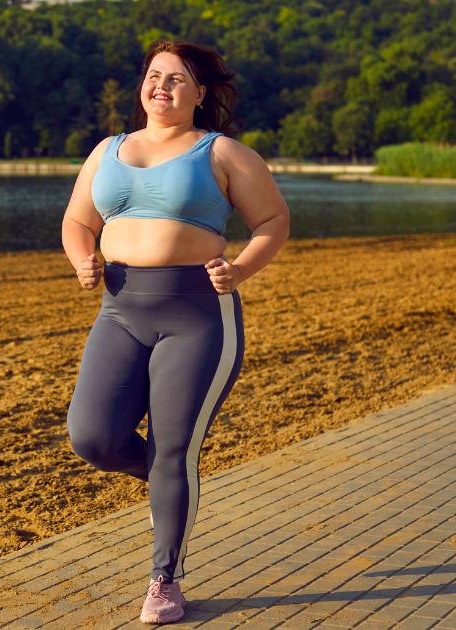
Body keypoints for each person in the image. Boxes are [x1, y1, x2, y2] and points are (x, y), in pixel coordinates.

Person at [60, 40, 290, 624]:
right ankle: (171, 475)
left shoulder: (223, 153)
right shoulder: (107, 150)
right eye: (154, 75)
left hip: (197, 315)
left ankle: (165, 578)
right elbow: (76, 220)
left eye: (178, 79)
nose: (162, 86)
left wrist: (239, 268)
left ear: (200, 93)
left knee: (172, 448)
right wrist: (81, 257)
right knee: (93, 437)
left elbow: (272, 221)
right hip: (119, 310)